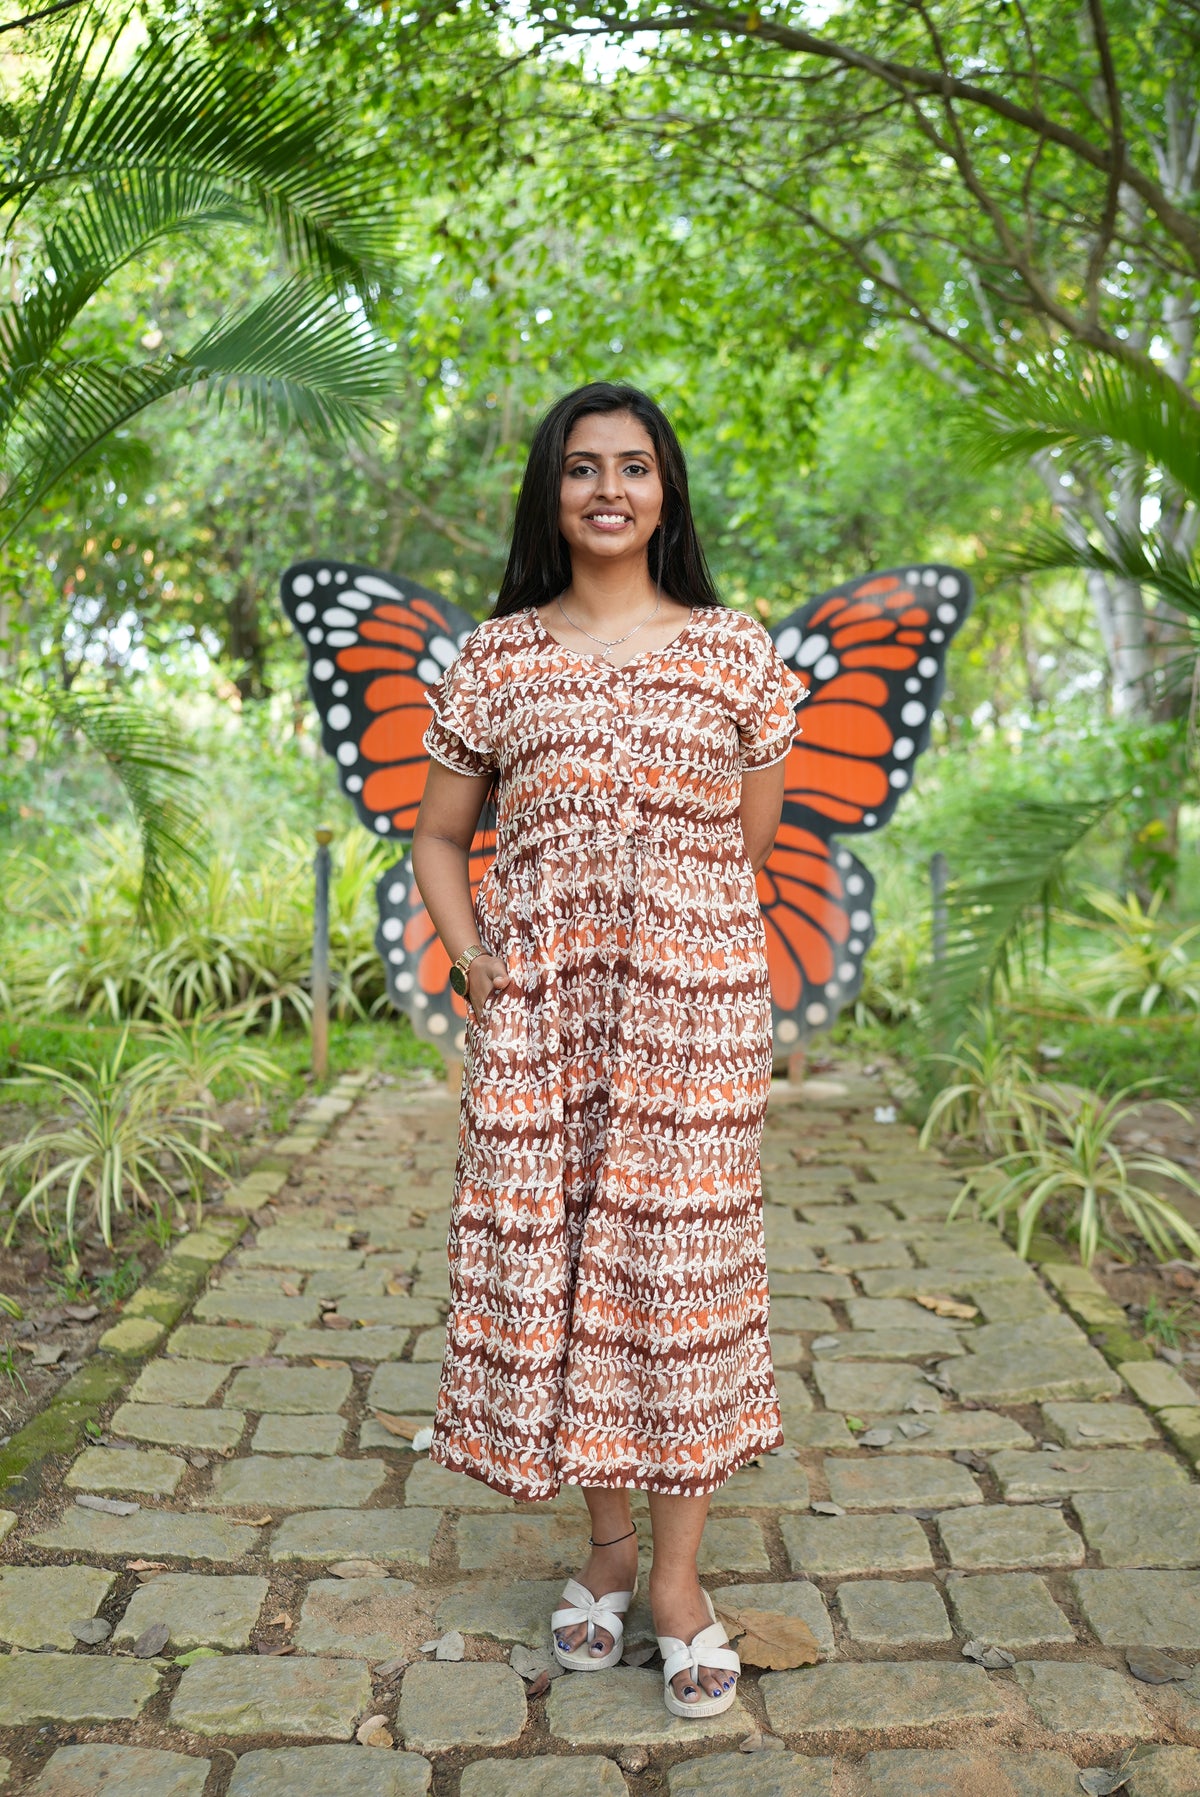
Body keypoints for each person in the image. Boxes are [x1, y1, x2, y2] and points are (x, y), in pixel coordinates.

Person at [411, 380, 809, 1717]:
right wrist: (482, 958)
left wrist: (661, 935)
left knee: (675, 1280)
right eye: (582, 468)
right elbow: (437, 836)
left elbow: (739, 844)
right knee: (573, 1264)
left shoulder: (737, 653)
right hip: (543, 1025)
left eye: (633, 468)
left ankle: (681, 1585)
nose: (607, 490)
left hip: (690, 1018)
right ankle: (605, 1547)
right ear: (551, 491)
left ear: (665, 491)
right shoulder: (494, 660)